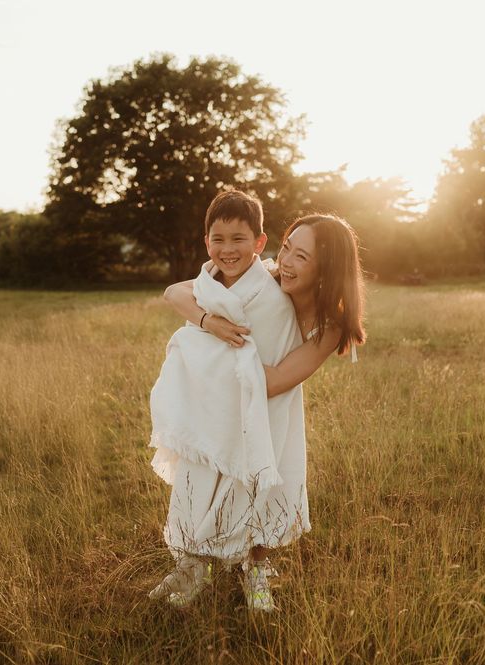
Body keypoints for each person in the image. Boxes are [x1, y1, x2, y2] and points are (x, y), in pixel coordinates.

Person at [150, 205, 367, 612]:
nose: (285, 262)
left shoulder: (329, 324)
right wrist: (207, 322)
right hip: (223, 408)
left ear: (327, 268)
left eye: (301, 257)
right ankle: (194, 566)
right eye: (286, 248)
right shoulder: (263, 277)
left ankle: (255, 571)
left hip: (271, 412)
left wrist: (220, 360)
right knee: (205, 482)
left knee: (265, 488)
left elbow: (277, 380)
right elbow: (177, 292)